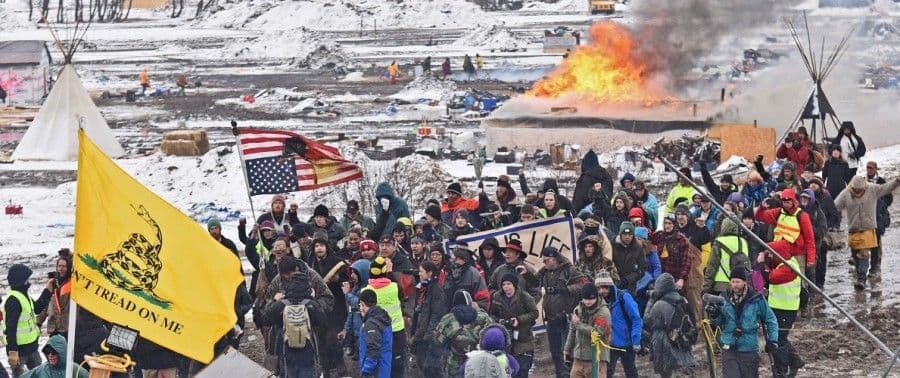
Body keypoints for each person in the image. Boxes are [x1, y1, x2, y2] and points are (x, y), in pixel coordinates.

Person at [834, 175, 900, 289]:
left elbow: (886, 188)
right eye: (855, 190)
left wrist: (897, 181)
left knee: (863, 255)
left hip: (868, 229)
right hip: (853, 230)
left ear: (864, 186)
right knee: (855, 256)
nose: (857, 192)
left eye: (860, 190)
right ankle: (861, 274)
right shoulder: (846, 193)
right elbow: (835, 206)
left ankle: (861, 279)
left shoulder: (872, 189)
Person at [262, 266, 327, 378]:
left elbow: (265, 319)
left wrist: (274, 301)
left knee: (290, 373)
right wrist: (313, 300)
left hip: (287, 349)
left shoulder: (282, 303)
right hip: (308, 349)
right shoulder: (310, 304)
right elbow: (322, 322)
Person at [715, 267, 779, 378]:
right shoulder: (723, 298)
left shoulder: (756, 299)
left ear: (744, 282)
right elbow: (718, 322)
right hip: (729, 345)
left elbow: (770, 319)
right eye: (733, 281)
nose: (735, 285)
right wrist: (714, 315)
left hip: (749, 348)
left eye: (738, 282)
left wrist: (773, 340)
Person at [539, 246, 589, 378]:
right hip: (551, 317)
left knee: (567, 351)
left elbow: (584, 284)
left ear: (554, 259)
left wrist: (565, 289)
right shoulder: (544, 271)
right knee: (555, 352)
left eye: (546, 260)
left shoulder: (569, 270)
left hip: (566, 317)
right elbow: (532, 280)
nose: (543, 263)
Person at [754, 188, 816, 282]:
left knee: (799, 281)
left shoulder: (802, 216)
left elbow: (809, 239)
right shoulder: (778, 212)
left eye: (788, 201)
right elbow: (760, 216)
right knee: (779, 278)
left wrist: (811, 259)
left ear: (793, 201)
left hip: (797, 254)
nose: (786, 204)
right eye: (784, 201)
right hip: (779, 252)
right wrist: (762, 207)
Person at [762, 241, 804, 377]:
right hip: (777, 307)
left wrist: (762, 265)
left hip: (786, 309)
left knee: (778, 340)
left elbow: (772, 277)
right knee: (780, 337)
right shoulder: (781, 263)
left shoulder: (790, 266)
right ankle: (795, 361)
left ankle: (781, 371)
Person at [309, 238, 349, 377]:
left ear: (327, 247)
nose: (319, 248)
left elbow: (346, 282)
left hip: (335, 305)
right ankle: (325, 367)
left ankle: (339, 362)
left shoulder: (337, 263)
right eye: (316, 246)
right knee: (320, 338)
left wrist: (338, 279)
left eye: (321, 246)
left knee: (334, 336)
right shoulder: (310, 264)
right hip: (318, 305)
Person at [362, 256, 409, 378]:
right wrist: (390, 273)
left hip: (378, 333)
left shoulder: (366, 291)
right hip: (398, 333)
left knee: (381, 366)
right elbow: (403, 299)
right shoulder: (394, 287)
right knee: (398, 366)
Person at [4, 264, 52, 377]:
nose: (29, 282)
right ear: (21, 280)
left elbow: (37, 308)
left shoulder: (23, 295)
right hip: (19, 352)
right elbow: (10, 328)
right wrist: (12, 352)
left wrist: (48, 290)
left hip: (32, 347)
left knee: (40, 374)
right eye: (27, 279)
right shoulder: (13, 300)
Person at [643, 273, 696, 377]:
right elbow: (692, 319)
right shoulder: (683, 300)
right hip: (682, 341)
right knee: (681, 370)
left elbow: (647, 320)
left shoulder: (659, 304)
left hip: (664, 344)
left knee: (666, 373)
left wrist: (651, 300)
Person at [488, 273, 539, 378]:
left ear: (514, 285)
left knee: (523, 369)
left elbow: (534, 313)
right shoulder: (497, 297)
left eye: (508, 284)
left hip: (523, 338)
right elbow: (492, 314)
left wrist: (519, 320)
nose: (506, 287)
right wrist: (500, 321)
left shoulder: (525, 297)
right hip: (505, 338)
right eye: (504, 284)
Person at [596, 270, 642, 378]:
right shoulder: (598, 302)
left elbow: (636, 319)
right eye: (599, 288)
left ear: (610, 286)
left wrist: (636, 340)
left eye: (605, 287)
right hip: (609, 343)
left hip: (627, 342)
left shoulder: (623, 297)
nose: (602, 291)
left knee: (630, 370)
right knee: (607, 372)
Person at [436, 290, 492, 378]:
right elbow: (492, 337)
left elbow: (437, 342)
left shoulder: (448, 319)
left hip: (454, 366)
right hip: (478, 364)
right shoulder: (483, 317)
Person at [564, 283, 612, 378]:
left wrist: (578, 324)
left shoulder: (604, 312)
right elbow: (572, 330)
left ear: (596, 297)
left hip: (597, 359)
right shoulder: (578, 310)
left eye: (591, 299)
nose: (588, 302)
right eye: (585, 299)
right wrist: (567, 350)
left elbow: (597, 333)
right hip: (579, 357)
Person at [411, 261, 449, 377]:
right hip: (420, 334)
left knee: (430, 368)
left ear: (430, 273)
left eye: (421, 271)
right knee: (421, 365)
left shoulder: (436, 290)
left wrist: (428, 335)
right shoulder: (422, 288)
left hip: (428, 337)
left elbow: (436, 315)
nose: (419, 274)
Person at [703, 218, 750, 295]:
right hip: (741, 285)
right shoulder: (743, 242)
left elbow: (712, 266)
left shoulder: (719, 241)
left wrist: (706, 288)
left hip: (721, 285)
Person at [865, 161, 894, 276]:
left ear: (876, 169)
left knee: (876, 242)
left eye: (871, 168)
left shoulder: (882, 182)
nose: (869, 170)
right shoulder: (863, 181)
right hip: (866, 215)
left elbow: (889, 198)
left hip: (878, 216)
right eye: (867, 168)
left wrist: (881, 204)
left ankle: (876, 265)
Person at [358, 290, 393, 378]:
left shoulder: (371, 324)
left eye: (360, 305)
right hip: (384, 368)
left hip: (375, 372)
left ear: (362, 304)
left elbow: (373, 349)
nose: (360, 308)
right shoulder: (381, 316)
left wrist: (366, 371)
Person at [340, 258, 370, 361]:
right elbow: (351, 311)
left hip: (364, 331)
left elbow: (359, 304)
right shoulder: (357, 287)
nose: (352, 276)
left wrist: (347, 294)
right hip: (356, 332)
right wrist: (346, 329)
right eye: (351, 272)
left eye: (355, 273)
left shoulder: (368, 289)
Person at [19, 334, 88, 378]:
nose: (50, 355)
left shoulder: (75, 369)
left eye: (54, 352)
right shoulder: (43, 371)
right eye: (47, 352)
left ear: (62, 353)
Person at [39, 250, 72, 339]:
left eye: (64, 266)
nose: (61, 269)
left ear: (69, 268)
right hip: (53, 329)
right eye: (59, 266)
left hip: (68, 329)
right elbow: (46, 304)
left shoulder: (72, 284)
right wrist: (38, 322)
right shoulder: (52, 283)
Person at [611, 221, 646, 296]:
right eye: (625, 234)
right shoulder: (612, 245)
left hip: (631, 286)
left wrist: (628, 279)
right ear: (620, 234)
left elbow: (642, 270)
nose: (627, 237)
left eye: (630, 235)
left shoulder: (638, 248)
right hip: (614, 283)